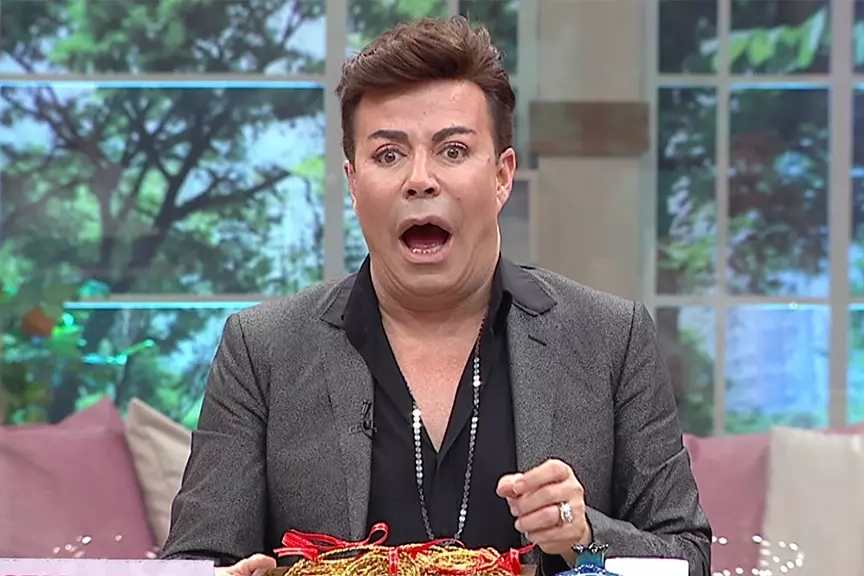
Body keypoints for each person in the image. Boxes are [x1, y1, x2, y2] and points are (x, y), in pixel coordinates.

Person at [159, 15, 711, 576]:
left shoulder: (609, 340)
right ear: (353, 182)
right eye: (388, 155)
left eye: (452, 150)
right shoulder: (263, 351)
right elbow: (195, 561)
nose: (419, 179)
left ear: (502, 176)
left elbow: (689, 558)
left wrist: (586, 539)